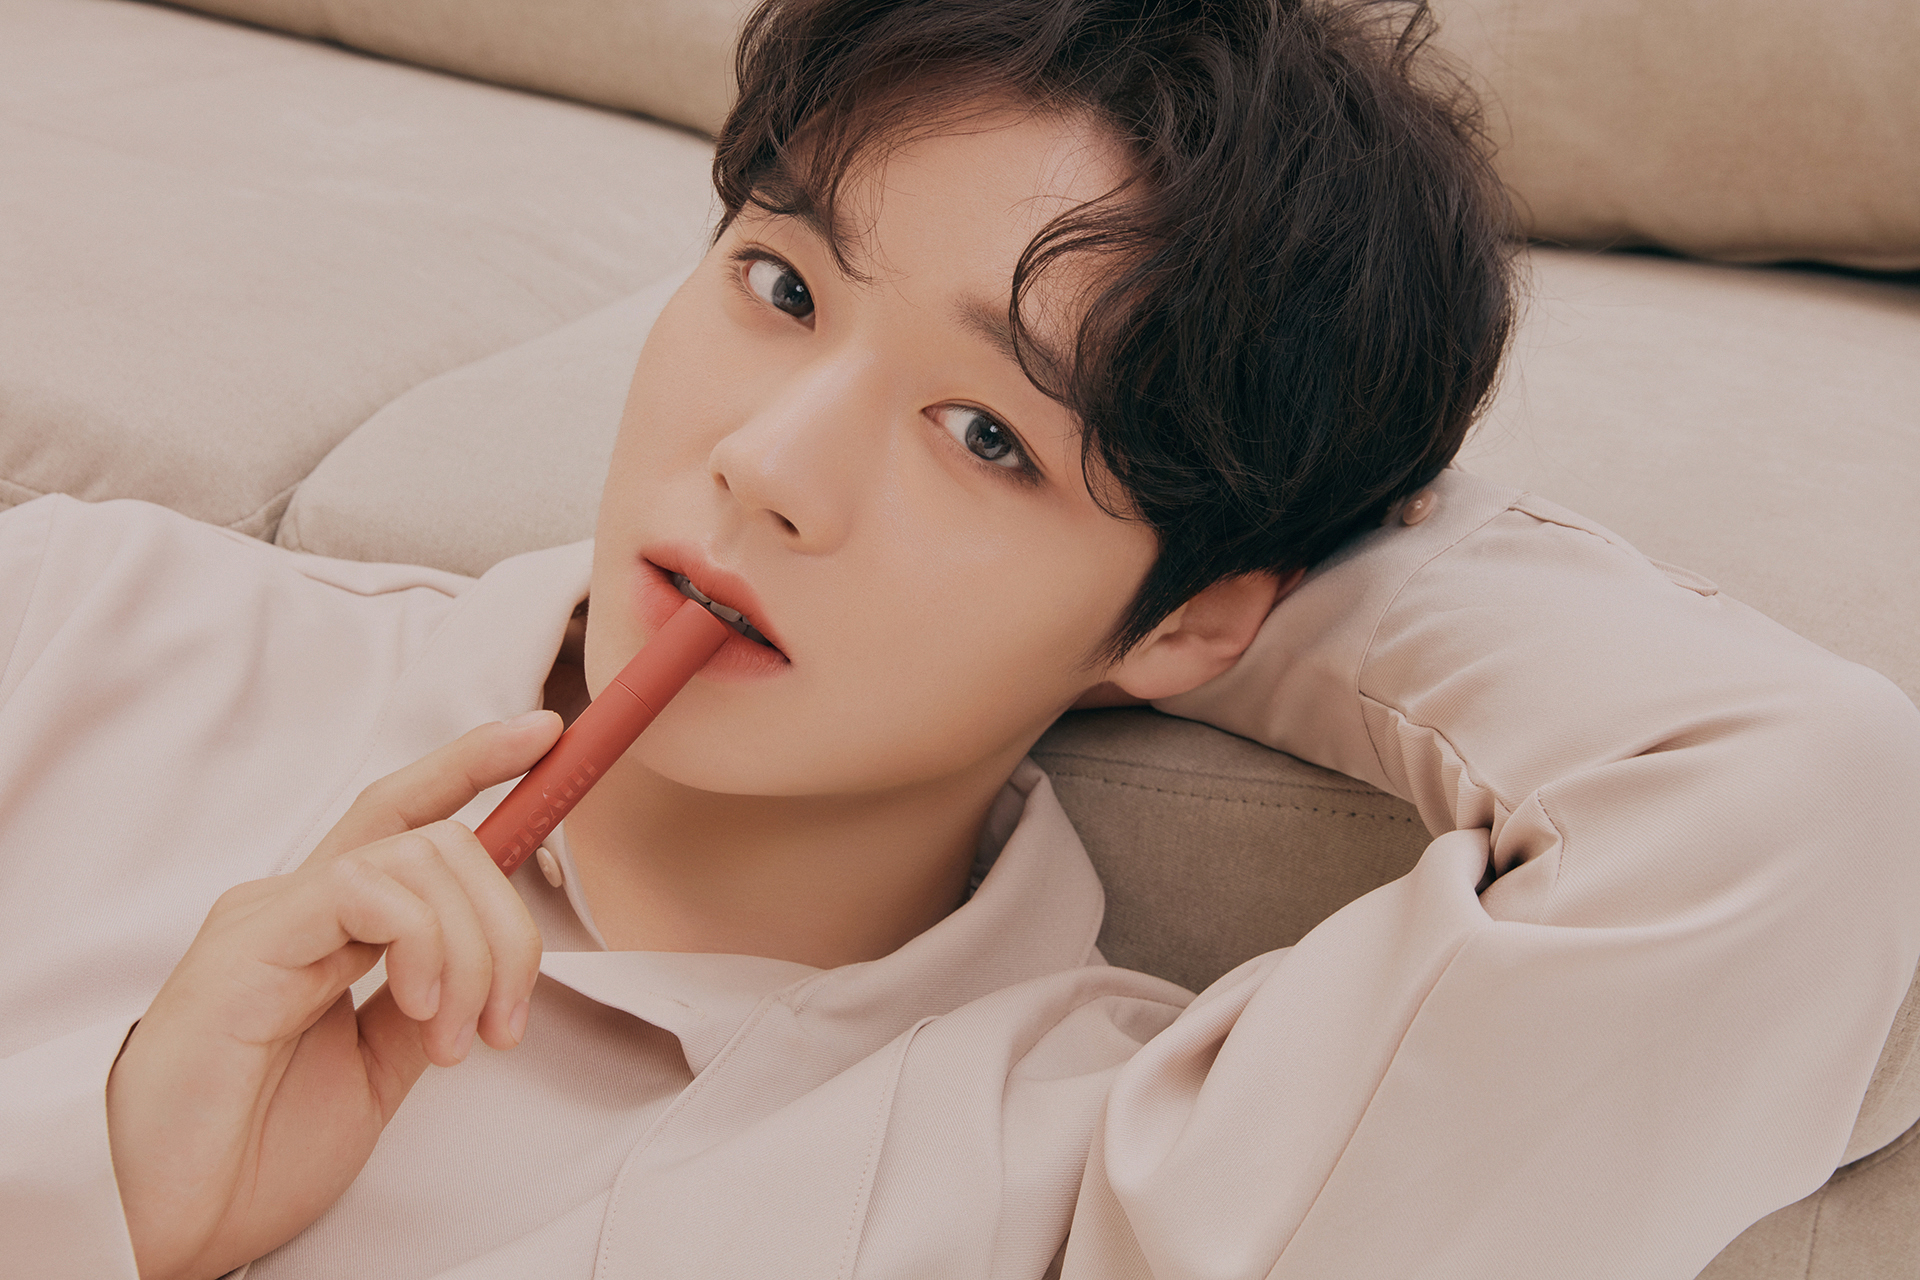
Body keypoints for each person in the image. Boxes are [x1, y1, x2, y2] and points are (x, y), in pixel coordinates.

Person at [4, 0, 1918, 1276]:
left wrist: (1217, 562)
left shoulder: (1067, 1176)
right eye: (779, 286)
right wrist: (110, 1203)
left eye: (990, 435)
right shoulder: (89, 629)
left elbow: (1799, 803)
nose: (769, 470)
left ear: (1204, 619)